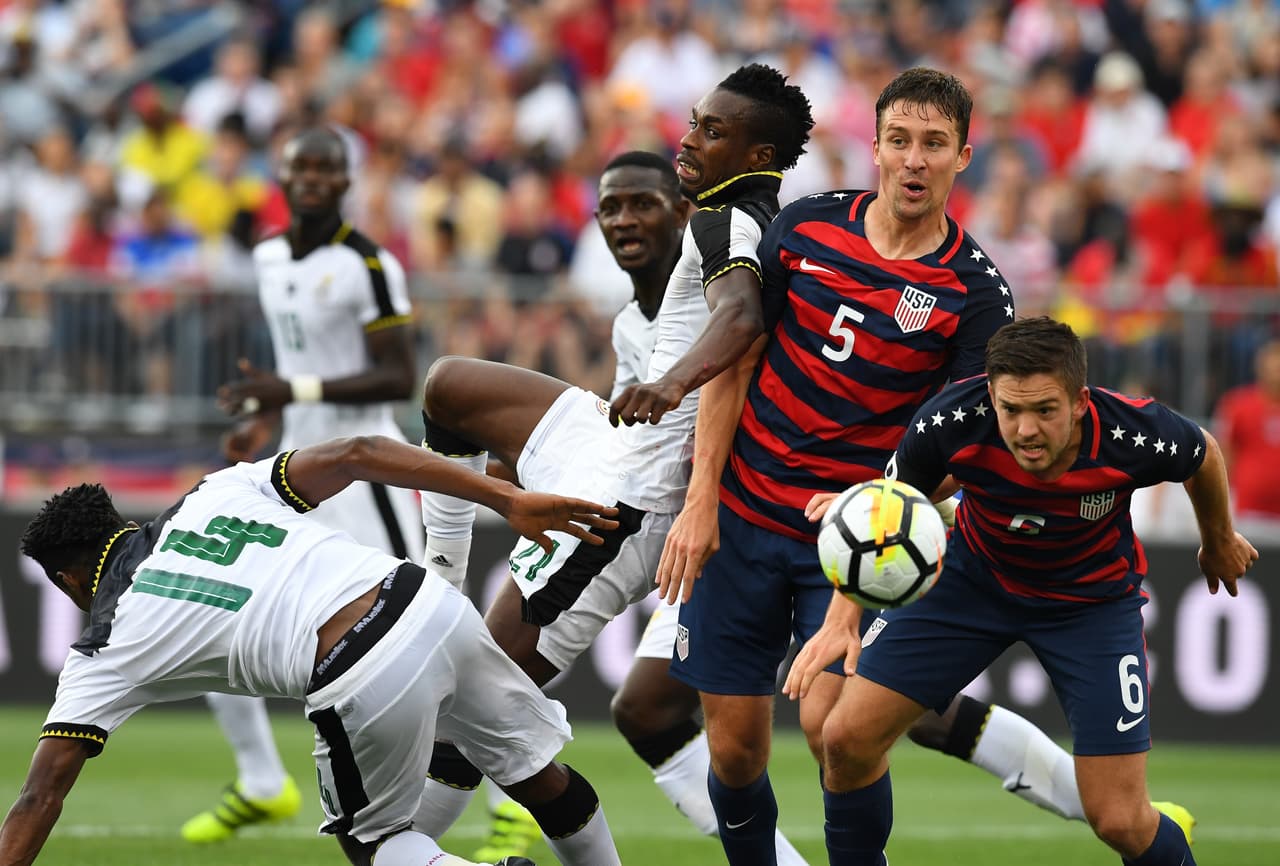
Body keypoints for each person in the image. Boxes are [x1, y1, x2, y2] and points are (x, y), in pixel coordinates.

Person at [414, 65, 816, 865]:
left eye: (711, 130)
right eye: (694, 122)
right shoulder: (752, 227)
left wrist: (667, 384)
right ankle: (439, 580)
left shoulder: (725, 224)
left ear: (758, 150)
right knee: (451, 388)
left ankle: (398, 847)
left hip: (627, 502)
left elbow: (738, 316)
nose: (690, 138)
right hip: (611, 445)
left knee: (474, 697)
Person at [627, 67, 1013, 866]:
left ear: (962, 157)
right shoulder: (804, 229)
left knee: (838, 734)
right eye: (899, 141)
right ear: (874, 148)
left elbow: (958, 444)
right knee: (733, 753)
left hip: (856, 540)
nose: (914, 160)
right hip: (742, 517)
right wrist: (702, 500)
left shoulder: (976, 295)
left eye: (933, 145)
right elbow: (737, 363)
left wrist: (877, 505)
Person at [3, 436, 626, 866]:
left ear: (67, 583)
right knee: (542, 779)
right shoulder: (214, 492)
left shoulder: (104, 649)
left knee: (375, 845)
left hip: (358, 662)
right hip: (427, 600)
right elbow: (361, 454)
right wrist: (506, 499)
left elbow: (40, 797)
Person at [796, 316, 1255, 865]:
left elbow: (1202, 454)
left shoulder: (1134, 432)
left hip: (1090, 607)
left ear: (1081, 401)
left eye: (1044, 410)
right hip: (971, 584)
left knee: (1120, 820)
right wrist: (841, 619)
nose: (1026, 429)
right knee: (843, 739)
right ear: (990, 395)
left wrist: (1218, 539)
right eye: (1010, 409)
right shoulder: (948, 421)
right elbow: (883, 512)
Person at [184, 125, 425, 844]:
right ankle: (262, 780)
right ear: (281, 179)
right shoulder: (266, 257)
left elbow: (399, 374)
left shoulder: (369, 264)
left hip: (366, 468)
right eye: (301, 168)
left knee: (418, 634)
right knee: (212, 599)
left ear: (346, 180)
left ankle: (512, 788)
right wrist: (267, 418)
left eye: (327, 169)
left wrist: (293, 386)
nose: (314, 179)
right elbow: (297, 371)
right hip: (293, 462)